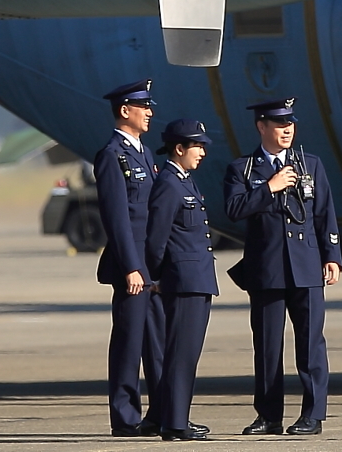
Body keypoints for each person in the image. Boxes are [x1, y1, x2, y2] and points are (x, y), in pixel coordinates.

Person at [224, 97, 342, 436]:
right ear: (262, 127)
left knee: (310, 344)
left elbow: (324, 213)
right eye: (279, 124)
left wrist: (332, 256)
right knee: (267, 345)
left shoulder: (310, 165)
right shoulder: (243, 169)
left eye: (290, 123)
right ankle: (269, 415)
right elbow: (234, 208)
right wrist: (269, 188)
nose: (287, 129)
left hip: (306, 266)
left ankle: (313, 414)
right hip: (267, 269)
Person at [95, 79, 164, 437]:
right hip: (132, 268)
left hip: (151, 265)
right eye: (144, 107)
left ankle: (162, 412)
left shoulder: (144, 153)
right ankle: (125, 418)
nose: (150, 112)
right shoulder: (111, 155)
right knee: (128, 342)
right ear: (125, 111)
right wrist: (132, 267)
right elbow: (118, 219)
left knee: (156, 342)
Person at [145, 119, 218, 442]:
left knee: (187, 354)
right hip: (183, 280)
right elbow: (156, 239)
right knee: (180, 353)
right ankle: (174, 423)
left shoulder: (184, 182)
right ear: (179, 148)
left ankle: (177, 418)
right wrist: (157, 276)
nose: (202, 152)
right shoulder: (169, 185)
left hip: (197, 278)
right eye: (197, 146)